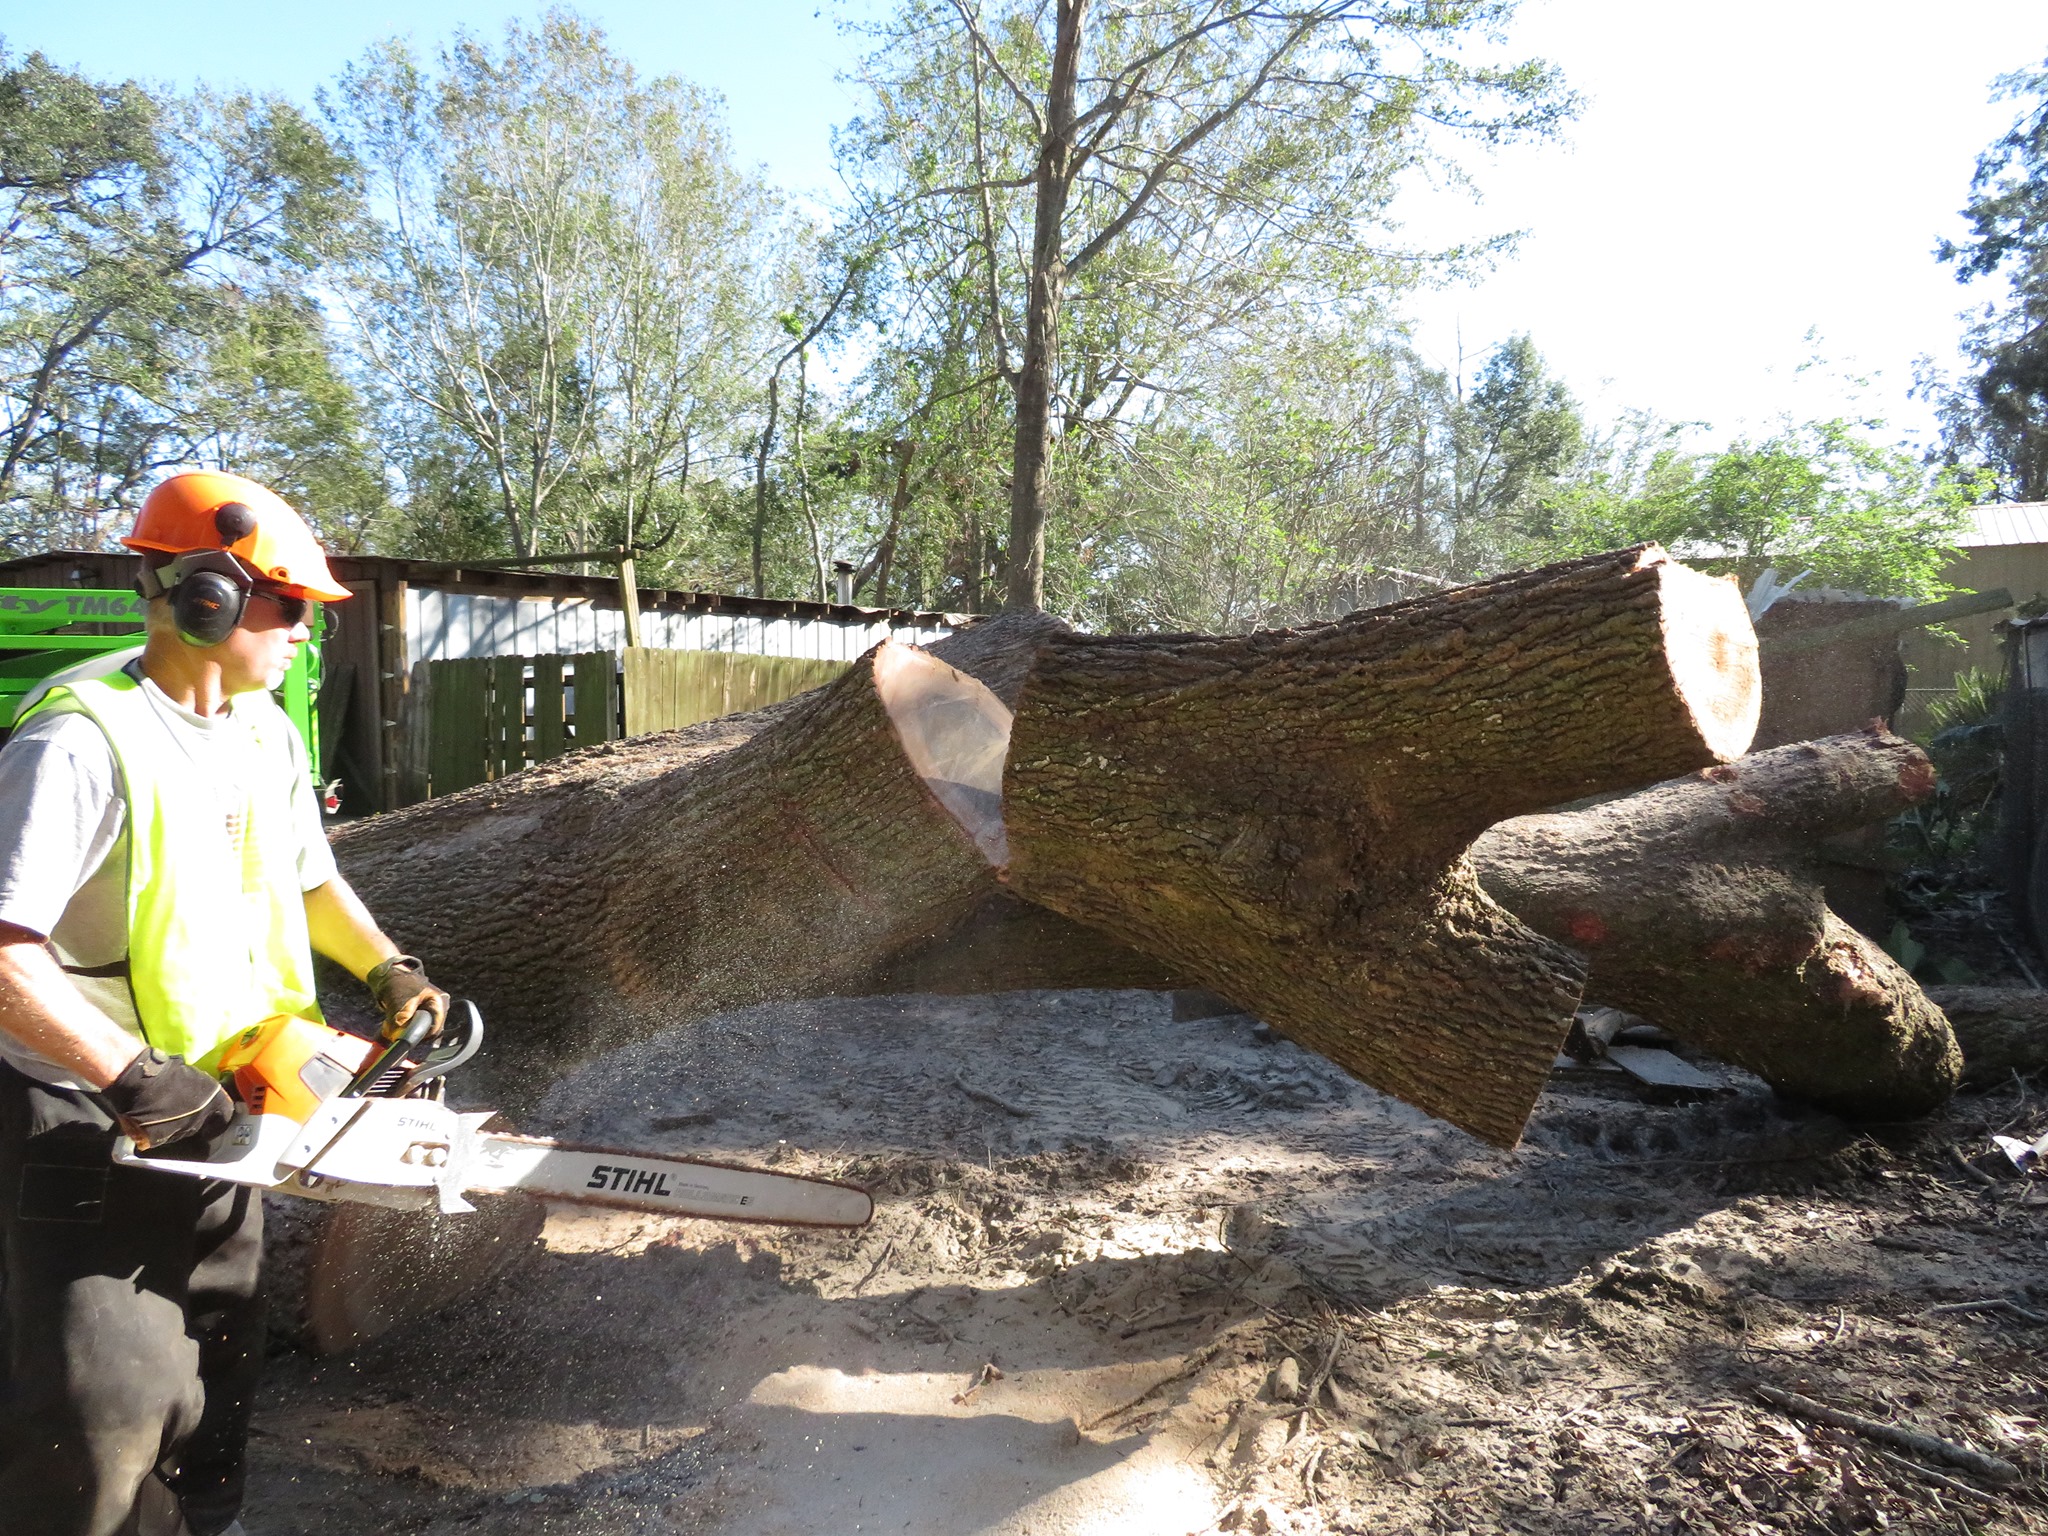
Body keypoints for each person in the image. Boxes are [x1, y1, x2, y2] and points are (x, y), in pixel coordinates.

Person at [0, 471, 450, 1536]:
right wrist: (132, 1078)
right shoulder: (82, 740)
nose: (304, 632)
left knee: (217, 1371)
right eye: (288, 606)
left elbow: (309, 882)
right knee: (102, 1417)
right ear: (205, 596)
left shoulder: (263, 731)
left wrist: (391, 972)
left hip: (220, 1109)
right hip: (88, 1120)